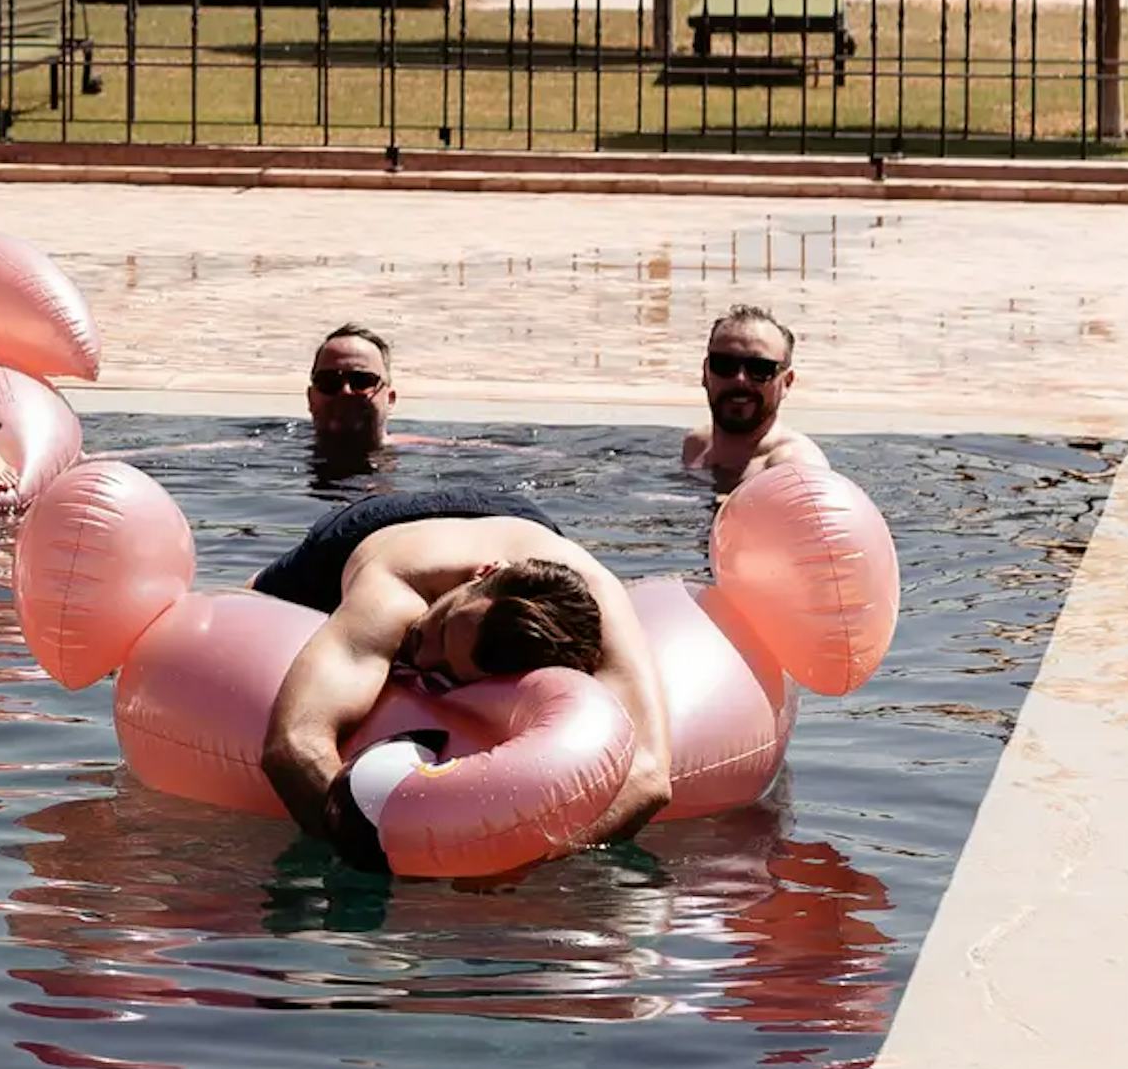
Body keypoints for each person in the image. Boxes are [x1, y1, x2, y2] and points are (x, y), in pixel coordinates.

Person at [253, 488, 673, 868]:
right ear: (482, 574)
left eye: (447, 670)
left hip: (530, 524)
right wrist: (369, 855)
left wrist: (525, 858)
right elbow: (293, 744)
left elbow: (649, 778)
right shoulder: (397, 594)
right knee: (252, 599)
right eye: (438, 627)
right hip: (375, 526)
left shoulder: (599, 598)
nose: (423, 654)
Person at [684, 306, 827, 488]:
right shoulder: (694, 447)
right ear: (705, 373)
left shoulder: (794, 469)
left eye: (759, 369)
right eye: (724, 364)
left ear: (787, 383)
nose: (740, 379)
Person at [304, 324, 396, 480]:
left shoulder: (434, 452)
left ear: (390, 399)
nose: (345, 392)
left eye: (361, 381)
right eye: (329, 381)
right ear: (311, 398)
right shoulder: (268, 450)